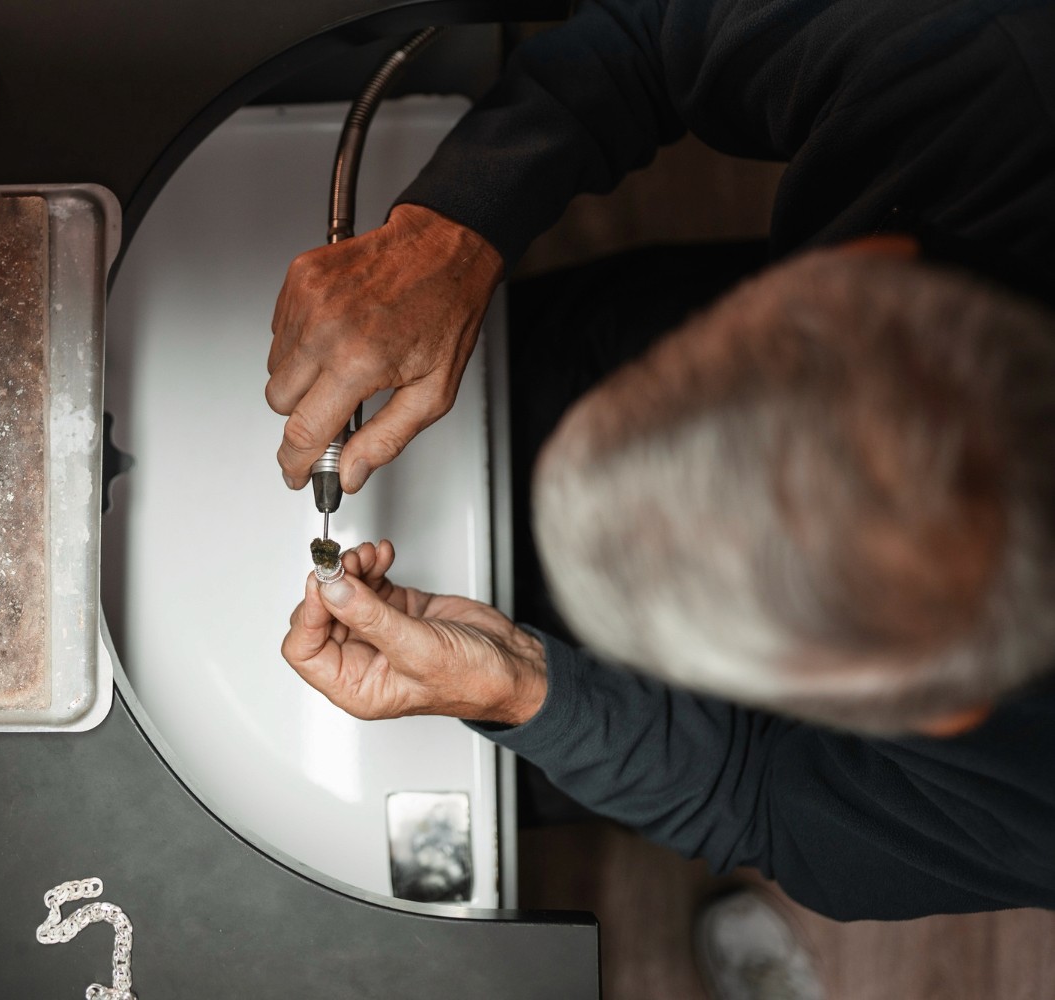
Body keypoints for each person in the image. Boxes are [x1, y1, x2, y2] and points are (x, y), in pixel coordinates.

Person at [271, 0, 1055, 933]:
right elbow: (652, 33)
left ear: (941, 716)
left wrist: (523, 688)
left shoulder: (1027, 807)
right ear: (870, 267)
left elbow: (760, 795)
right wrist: (454, 231)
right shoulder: (976, 68)